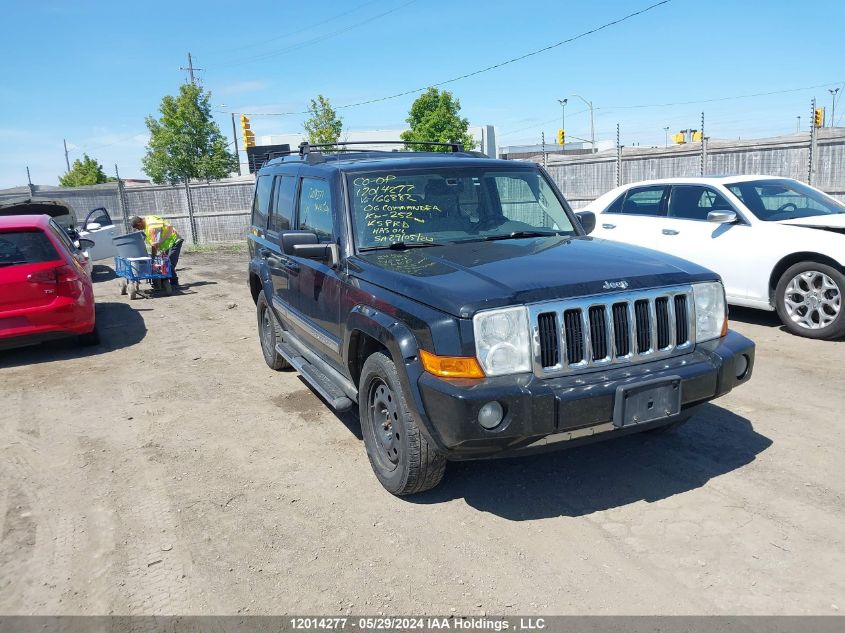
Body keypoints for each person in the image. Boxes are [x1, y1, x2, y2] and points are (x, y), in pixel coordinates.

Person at [129, 215, 183, 287]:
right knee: (164, 263)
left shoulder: (152, 227)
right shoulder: (148, 220)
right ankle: (162, 282)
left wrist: (153, 258)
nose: (139, 229)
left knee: (169, 262)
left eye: (138, 228)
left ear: (139, 223)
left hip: (174, 241)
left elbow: (155, 244)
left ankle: (174, 283)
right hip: (167, 244)